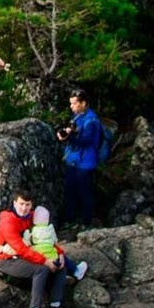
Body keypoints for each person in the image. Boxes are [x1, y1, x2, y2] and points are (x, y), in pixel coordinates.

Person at [0, 189, 72, 308]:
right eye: (21, 204)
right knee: (41, 269)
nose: (24, 208)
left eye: (27, 204)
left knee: (60, 267)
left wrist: (60, 253)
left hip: (27, 254)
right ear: (14, 203)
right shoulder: (8, 221)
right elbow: (21, 249)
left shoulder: (32, 217)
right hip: (7, 260)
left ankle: (55, 305)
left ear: (31, 205)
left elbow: (45, 237)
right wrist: (45, 261)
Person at [58, 88, 107, 228]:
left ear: (83, 103)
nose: (71, 106)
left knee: (85, 192)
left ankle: (86, 221)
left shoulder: (91, 121)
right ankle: (70, 219)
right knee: (70, 190)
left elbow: (86, 141)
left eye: (74, 104)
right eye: (71, 103)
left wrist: (69, 137)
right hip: (73, 160)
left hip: (85, 163)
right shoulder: (77, 117)